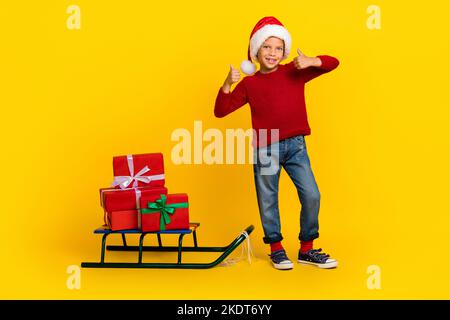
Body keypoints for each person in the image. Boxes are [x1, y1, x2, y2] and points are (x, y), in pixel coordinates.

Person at [214, 16, 340, 270]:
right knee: (268, 198)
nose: (272, 53)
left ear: (284, 52)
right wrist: (228, 83)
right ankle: (276, 248)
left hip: (296, 146)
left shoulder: (294, 71)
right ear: (256, 51)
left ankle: (307, 249)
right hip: (265, 148)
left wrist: (312, 61)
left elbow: (333, 63)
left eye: (278, 48)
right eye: (267, 47)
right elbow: (221, 110)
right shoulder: (249, 84)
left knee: (312, 194)